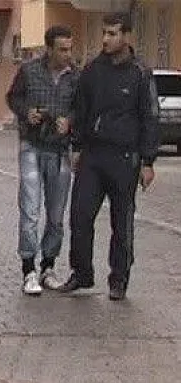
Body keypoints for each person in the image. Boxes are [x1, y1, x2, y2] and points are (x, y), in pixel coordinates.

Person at [60, 13, 159, 301]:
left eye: (113, 33)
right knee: (80, 216)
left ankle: (119, 279)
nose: (106, 39)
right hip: (92, 155)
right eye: (104, 33)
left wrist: (148, 161)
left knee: (122, 221)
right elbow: (81, 108)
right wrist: (76, 146)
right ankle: (82, 274)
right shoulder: (93, 70)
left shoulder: (141, 72)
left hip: (125, 158)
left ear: (127, 36)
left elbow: (150, 116)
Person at [5, 26, 78, 296]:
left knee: (57, 215)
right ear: (48, 49)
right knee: (30, 209)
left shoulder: (75, 76)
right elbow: (12, 97)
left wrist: (69, 122)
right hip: (32, 146)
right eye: (62, 49)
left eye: (70, 48)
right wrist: (28, 113)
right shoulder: (29, 71)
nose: (67, 54)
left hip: (60, 151)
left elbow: (80, 108)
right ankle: (28, 269)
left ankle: (49, 265)